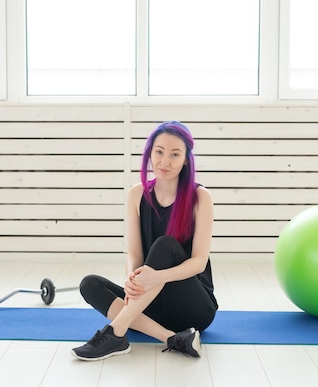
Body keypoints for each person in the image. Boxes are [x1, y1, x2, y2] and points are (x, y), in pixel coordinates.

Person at [71, 121, 218, 361]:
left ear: (186, 160)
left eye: (174, 154)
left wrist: (158, 276)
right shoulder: (136, 194)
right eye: (159, 152)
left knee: (165, 245)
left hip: (193, 307)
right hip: (151, 302)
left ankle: (116, 332)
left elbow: (199, 262)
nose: (164, 161)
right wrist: (132, 280)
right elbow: (134, 253)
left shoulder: (201, 197)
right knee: (90, 284)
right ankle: (172, 338)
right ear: (150, 152)